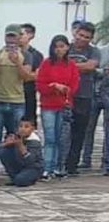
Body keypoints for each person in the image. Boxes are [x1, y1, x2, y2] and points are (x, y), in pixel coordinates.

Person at [0, 24, 34, 173]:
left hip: (17, 102)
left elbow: (26, 77)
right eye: (9, 36)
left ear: (20, 37)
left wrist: (17, 62)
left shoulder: (26, 55)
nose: (11, 40)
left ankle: (15, 168)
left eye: (14, 36)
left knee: (17, 137)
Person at [36, 35, 79, 180]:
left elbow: (74, 85)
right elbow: (40, 85)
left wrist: (65, 89)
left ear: (67, 47)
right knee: (50, 138)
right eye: (56, 46)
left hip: (64, 106)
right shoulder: (46, 64)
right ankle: (47, 168)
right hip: (48, 105)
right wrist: (53, 86)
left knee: (62, 138)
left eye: (62, 46)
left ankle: (59, 167)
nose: (59, 49)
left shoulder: (71, 65)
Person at [66, 21, 101, 175]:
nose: (82, 39)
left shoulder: (94, 51)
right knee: (64, 133)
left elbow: (91, 66)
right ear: (75, 33)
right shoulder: (65, 48)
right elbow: (57, 64)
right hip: (65, 96)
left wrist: (69, 66)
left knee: (79, 133)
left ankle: (72, 165)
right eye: (80, 35)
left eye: (87, 37)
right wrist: (79, 66)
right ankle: (60, 163)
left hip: (84, 97)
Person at [83, 44, 108, 171]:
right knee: (88, 128)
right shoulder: (101, 51)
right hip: (94, 92)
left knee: (107, 129)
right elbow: (92, 69)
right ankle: (85, 159)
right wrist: (103, 71)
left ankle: (106, 163)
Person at [0, 118, 43, 187]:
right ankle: (14, 176)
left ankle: (27, 179)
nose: (22, 129)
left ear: (33, 129)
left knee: (20, 181)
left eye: (26, 127)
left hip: (32, 168)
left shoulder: (34, 142)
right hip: (20, 165)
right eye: (20, 126)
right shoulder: (16, 136)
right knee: (3, 151)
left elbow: (30, 161)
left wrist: (20, 146)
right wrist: (6, 144)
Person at [20, 23, 44, 122]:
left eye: (21, 34)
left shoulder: (37, 55)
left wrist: (23, 75)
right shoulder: (7, 52)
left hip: (28, 94)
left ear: (30, 35)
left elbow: (37, 76)